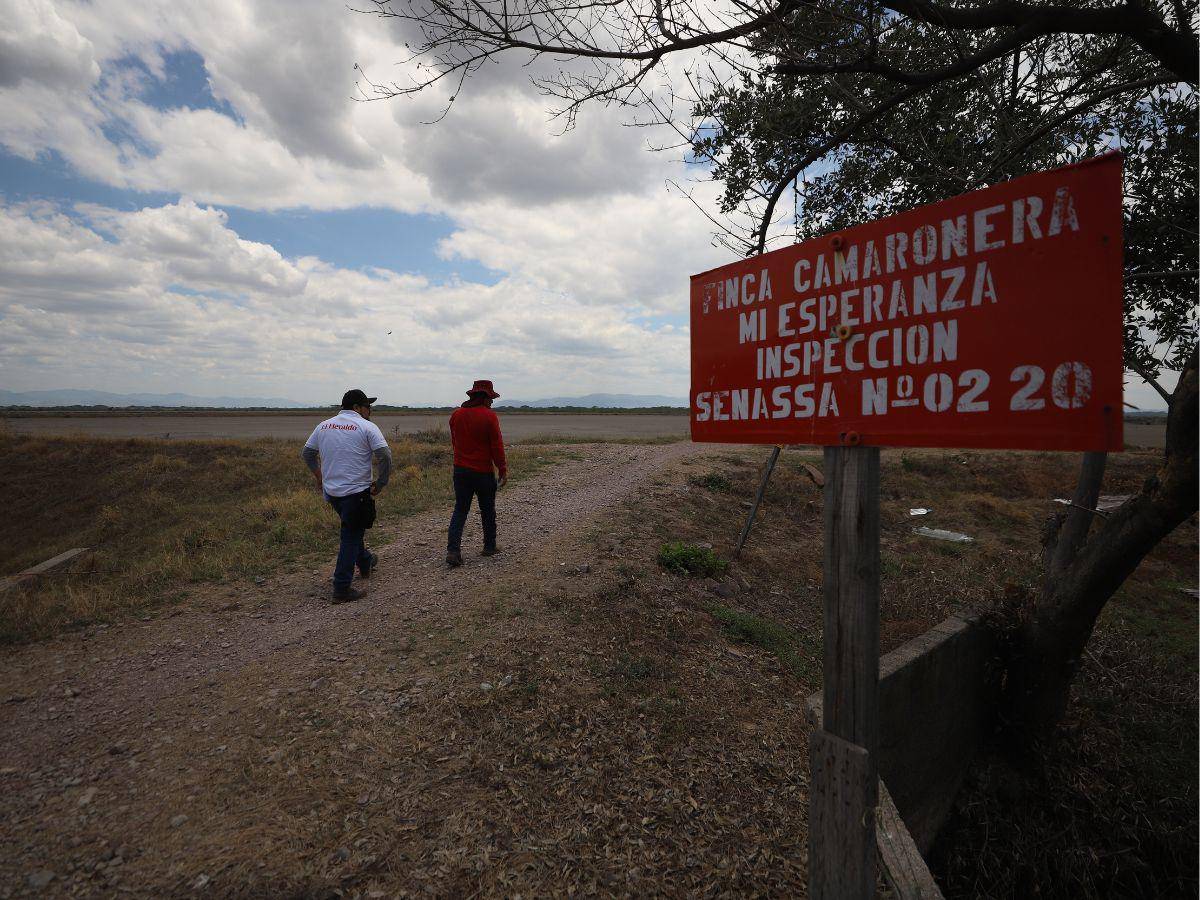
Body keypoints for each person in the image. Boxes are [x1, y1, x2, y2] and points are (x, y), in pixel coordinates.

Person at [302, 389, 392, 603]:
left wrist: (319, 476)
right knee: (351, 535)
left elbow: (307, 453)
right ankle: (341, 587)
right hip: (356, 492)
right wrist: (381, 483)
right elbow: (385, 456)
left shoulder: (323, 426)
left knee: (352, 526)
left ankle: (366, 561)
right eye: (368, 407)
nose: (370, 411)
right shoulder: (367, 426)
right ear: (357, 408)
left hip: (332, 492)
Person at [446, 379, 507, 567]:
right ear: (485, 397)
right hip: (482, 472)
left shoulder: (456, 415)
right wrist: (502, 469)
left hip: (461, 471)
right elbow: (496, 446)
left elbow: (455, 442)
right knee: (488, 510)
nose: (492, 402)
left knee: (460, 510)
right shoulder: (489, 416)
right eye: (490, 398)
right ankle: (489, 546)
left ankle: (453, 551)